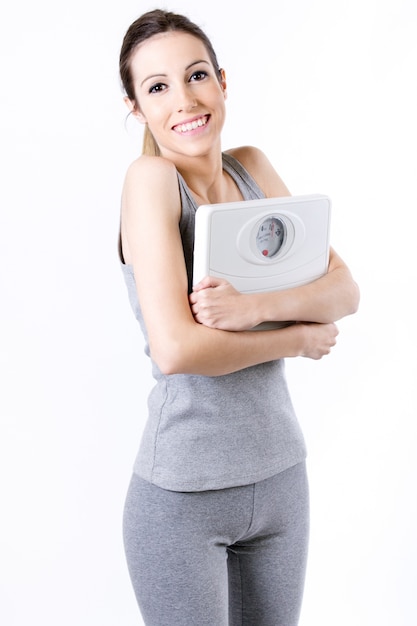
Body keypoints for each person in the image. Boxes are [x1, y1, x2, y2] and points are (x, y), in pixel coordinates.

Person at [118, 9, 359, 626]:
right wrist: (297, 338)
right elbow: (175, 349)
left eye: (197, 75)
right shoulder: (151, 180)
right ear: (136, 107)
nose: (185, 99)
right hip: (183, 499)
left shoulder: (251, 168)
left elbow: (344, 289)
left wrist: (256, 309)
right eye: (158, 86)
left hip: (283, 479)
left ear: (223, 81)